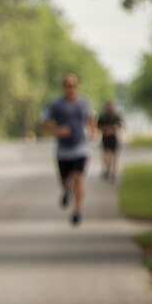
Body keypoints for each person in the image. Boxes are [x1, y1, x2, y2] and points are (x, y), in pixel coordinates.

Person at [41, 73, 96, 226]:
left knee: (78, 178)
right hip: (63, 150)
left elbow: (91, 118)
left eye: (73, 85)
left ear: (77, 86)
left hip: (81, 148)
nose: (70, 88)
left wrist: (93, 131)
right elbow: (43, 121)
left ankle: (77, 211)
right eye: (67, 85)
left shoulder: (84, 102)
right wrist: (56, 130)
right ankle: (66, 190)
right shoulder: (55, 104)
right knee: (65, 181)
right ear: (63, 87)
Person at [96, 100, 122, 182]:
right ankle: (108, 169)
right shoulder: (102, 117)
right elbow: (98, 127)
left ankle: (113, 172)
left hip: (113, 138)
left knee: (114, 155)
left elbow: (120, 126)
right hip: (105, 138)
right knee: (106, 155)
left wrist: (113, 129)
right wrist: (105, 130)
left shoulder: (115, 117)